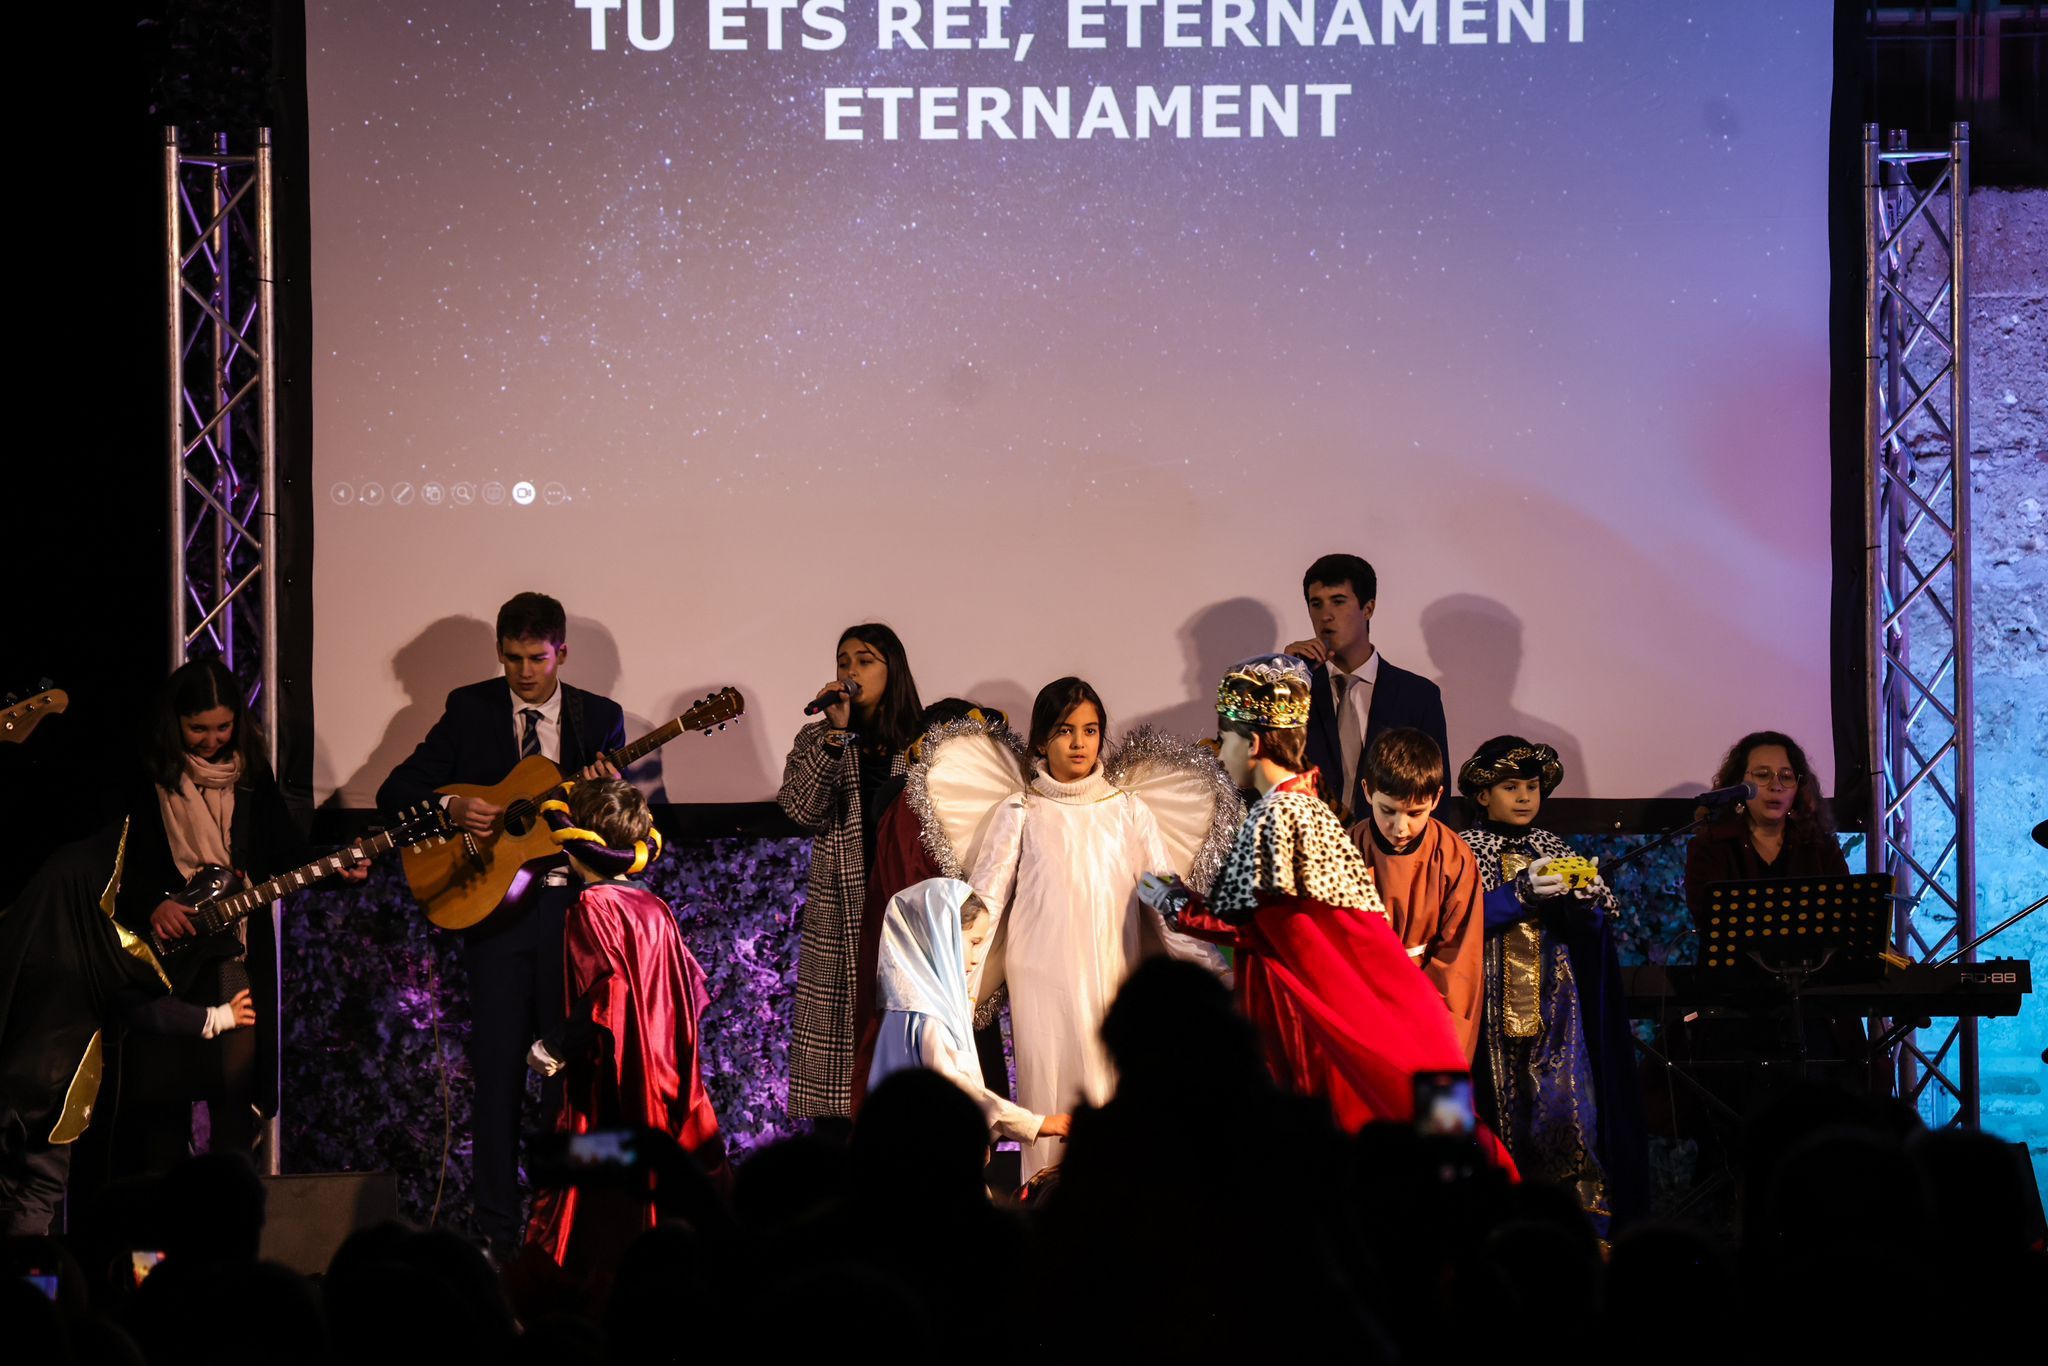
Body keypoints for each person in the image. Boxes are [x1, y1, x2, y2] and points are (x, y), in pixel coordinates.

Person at [376, 592, 626, 1253]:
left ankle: (566, 1228)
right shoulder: (471, 708)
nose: (523, 672)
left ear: (561, 653)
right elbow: (395, 794)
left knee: (572, 1077)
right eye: (511, 658)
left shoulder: (600, 719)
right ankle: (497, 1233)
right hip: (496, 922)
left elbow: (614, 837)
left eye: (536, 659)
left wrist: (601, 797)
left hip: (571, 917)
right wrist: (456, 805)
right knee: (496, 1079)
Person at [1158, 655, 1484, 1136]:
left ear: (1251, 743)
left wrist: (1162, 892)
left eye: (1225, 740)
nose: (1218, 752)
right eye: (1388, 810)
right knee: (1415, 1133)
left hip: (1353, 1003)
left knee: (1406, 1132)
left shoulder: (1281, 814)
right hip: (1366, 997)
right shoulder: (1313, 810)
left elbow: (1237, 921)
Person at [932, 677, 1232, 1183]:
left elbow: (1164, 900)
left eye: (1090, 730)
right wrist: (954, 983)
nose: (1079, 743)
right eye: (1065, 730)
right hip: (1042, 979)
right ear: (1042, 739)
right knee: (1052, 1095)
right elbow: (987, 899)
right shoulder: (1021, 810)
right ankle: (1047, 1214)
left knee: (1113, 1091)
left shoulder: (1129, 810)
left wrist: (1213, 970)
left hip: (1113, 970)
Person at [110, 658, 367, 1178]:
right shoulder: (146, 773)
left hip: (233, 954)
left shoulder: (250, 775)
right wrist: (153, 903)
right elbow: (109, 863)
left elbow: (282, 854)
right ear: (174, 723)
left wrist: (339, 868)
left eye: (223, 727)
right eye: (198, 728)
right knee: (163, 1109)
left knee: (234, 1099)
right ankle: (164, 1244)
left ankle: (230, 1234)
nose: (212, 740)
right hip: (163, 961)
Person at [522, 779, 719, 1270]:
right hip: (666, 1070)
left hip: (617, 1076)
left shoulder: (592, 907)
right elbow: (688, 987)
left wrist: (556, 1047)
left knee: (603, 1200)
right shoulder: (655, 906)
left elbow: (605, 994)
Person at [1456, 735, 1649, 1231]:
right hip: (1489, 1013)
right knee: (1496, 1118)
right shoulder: (1462, 852)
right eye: (1511, 786)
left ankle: (1580, 1229)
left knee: (1566, 1111)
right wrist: (1514, 895)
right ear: (1482, 795)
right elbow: (1453, 921)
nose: (1524, 797)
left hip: (1556, 1013)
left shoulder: (1555, 848)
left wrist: (1588, 906)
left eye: (1533, 787)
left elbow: (1589, 936)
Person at [776, 623, 924, 1134]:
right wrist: (836, 737)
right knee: (841, 1081)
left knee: (906, 1071)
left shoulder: (923, 742)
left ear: (892, 670)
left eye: (864, 660)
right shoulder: (822, 737)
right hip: (843, 915)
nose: (850, 672)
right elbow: (801, 809)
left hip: (905, 916)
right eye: (843, 661)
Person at [847, 699, 1008, 1115]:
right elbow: (924, 908)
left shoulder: (928, 807)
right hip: (928, 984)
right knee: (934, 1101)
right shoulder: (914, 809)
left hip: (934, 978)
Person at [866, 877, 1069, 1151]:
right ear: (940, 935)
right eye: (973, 942)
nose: (976, 958)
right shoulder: (927, 1014)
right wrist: (1038, 1124)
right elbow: (957, 1090)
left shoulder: (906, 1008)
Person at [1346, 728, 1483, 1058]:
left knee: (1434, 1102)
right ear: (1367, 791)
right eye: (1388, 811)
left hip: (1431, 1008)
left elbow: (1459, 960)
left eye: (1415, 813)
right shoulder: (1343, 849)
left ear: (1436, 798)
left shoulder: (1454, 858)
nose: (1400, 828)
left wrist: (1418, 1017)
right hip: (1361, 1003)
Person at [1284, 553, 1448, 821]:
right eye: (1316, 604)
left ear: (1368, 608)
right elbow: (1258, 767)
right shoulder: (1295, 687)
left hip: (1388, 850)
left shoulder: (1417, 696)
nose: (1325, 615)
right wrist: (1286, 676)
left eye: (1338, 602)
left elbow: (1434, 795)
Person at [1683, 731, 1850, 924]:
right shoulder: (1711, 846)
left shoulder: (1821, 846)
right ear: (1739, 783)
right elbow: (1706, 917)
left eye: (1786, 777)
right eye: (1763, 775)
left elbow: (1843, 914)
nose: (1775, 786)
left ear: (1799, 787)